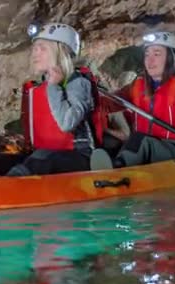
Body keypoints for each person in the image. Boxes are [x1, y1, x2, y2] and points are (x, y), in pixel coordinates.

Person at [93, 31, 175, 169]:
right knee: (114, 142)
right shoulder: (137, 86)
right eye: (147, 54)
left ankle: (116, 169)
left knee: (141, 140)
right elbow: (107, 105)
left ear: (170, 58)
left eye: (157, 54)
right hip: (145, 149)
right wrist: (88, 95)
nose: (150, 60)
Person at [6, 23, 106, 176]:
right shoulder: (41, 86)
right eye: (35, 48)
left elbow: (67, 124)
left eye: (42, 48)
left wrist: (54, 86)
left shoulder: (77, 82)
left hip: (80, 157)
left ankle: (7, 186)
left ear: (60, 52)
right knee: (11, 158)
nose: (35, 53)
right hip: (49, 155)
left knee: (41, 159)